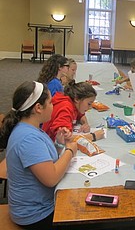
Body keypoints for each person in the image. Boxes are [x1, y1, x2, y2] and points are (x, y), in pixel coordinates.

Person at [0, 81, 77, 229]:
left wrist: (59, 144)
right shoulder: (28, 139)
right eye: (50, 102)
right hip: (35, 216)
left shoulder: (29, 128)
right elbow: (51, 178)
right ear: (38, 108)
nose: (53, 106)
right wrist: (70, 151)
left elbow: (43, 160)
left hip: (32, 208)